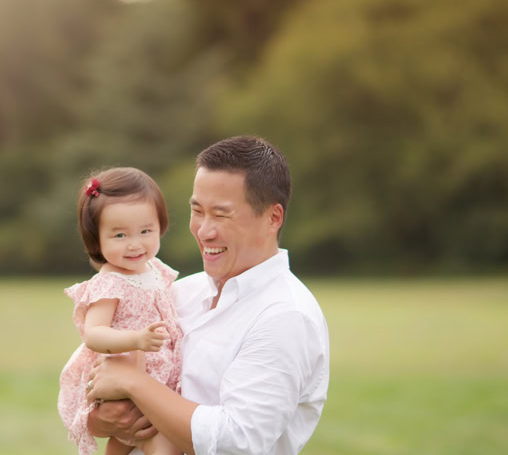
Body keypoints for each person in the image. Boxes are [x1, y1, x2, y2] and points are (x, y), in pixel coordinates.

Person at [86, 135, 329, 455]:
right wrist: (105, 418)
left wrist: (134, 383)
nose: (203, 230)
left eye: (222, 214)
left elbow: (237, 442)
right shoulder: (179, 291)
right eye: (197, 210)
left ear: (273, 218)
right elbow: (100, 407)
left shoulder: (285, 316)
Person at [59, 168, 182, 455]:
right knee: (149, 436)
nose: (135, 243)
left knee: (132, 436)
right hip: (126, 372)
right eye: (120, 235)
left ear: (160, 226)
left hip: (157, 375)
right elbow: (94, 334)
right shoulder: (110, 282)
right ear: (96, 239)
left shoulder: (155, 269)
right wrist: (136, 339)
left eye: (145, 231)